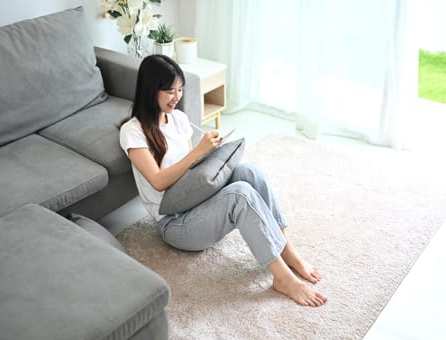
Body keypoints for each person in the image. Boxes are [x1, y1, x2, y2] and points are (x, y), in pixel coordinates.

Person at [119, 54, 327, 307]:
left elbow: (190, 172)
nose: (177, 97)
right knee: (240, 194)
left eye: (180, 90)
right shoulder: (133, 131)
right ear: (151, 90)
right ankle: (282, 278)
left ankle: (286, 250)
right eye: (170, 91)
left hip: (193, 201)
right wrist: (198, 151)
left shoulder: (179, 119)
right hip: (174, 223)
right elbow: (158, 181)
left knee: (250, 171)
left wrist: (207, 154)